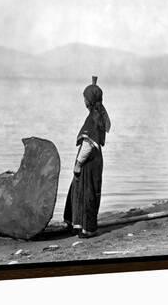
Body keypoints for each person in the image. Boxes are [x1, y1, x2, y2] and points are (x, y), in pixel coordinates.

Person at [63, 76, 111, 238]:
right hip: (96, 161)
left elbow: (88, 144)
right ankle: (81, 225)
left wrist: (78, 163)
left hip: (89, 162)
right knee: (86, 192)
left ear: (89, 101)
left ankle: (86, 229)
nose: (83, 101)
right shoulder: (99, 115)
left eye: (85, 98)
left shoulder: (92, 119)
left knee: (86, 193)